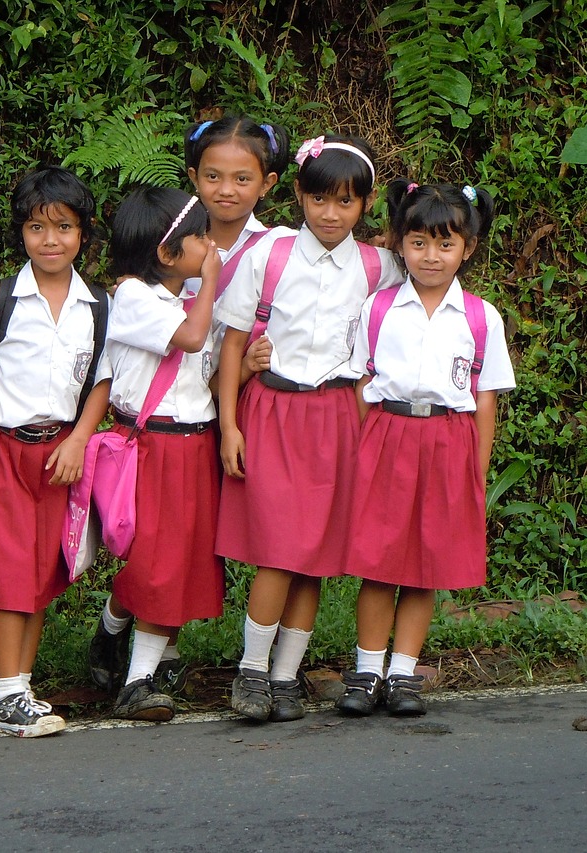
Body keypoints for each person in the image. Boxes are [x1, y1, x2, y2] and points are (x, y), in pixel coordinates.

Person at [216, 135, 404, 723]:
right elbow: (234, 343)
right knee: (277, 549)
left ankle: (284, 676)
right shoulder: (268, 256)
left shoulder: (378, 266)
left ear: (365, 206)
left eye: (345, 202)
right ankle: (250, 673)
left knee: (314, 554)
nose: (330, 213)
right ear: (297, 194)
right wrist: (228, 425)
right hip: (272, 412)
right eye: (319, 199)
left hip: (338, 418)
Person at [336, 181, 515, 717]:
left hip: (448, 442)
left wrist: (475, 470)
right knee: (380, 562)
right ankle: (366, 672)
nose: (430, 256)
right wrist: (371, 447)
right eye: (418, 243)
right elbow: (360, 384)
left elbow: (484, 400)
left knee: (424, 564)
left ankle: (403, 674)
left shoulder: (481, 317)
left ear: (468, 247)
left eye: (445, 244)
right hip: (388, 439)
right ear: (400, 243)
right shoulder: (379, 308)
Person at [0, 165, 111, 738]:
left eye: (64, 228)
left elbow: (101, 380)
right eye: (36, 228)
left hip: (57, 455)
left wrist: (78, 438)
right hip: (1, 449)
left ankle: (21, 685)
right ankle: (5, 694)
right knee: (7, 572)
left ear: (83, 234)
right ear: (19, 234)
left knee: (42, 571)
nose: (50, 240)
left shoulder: (98, 304)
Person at [87, 187, 224, 721]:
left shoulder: (183, 300)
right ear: (167, 255)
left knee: (179, 560)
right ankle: (136, 683)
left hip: (195, 443)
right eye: (200, 238)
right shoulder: (135, 298)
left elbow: (201, 368)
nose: (210, 246)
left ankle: (112, 633)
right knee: (158, 563)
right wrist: (211, 280)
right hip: (154, 447)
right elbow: (190, 340)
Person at [183, 115, 288, 292]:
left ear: (266, 184)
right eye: (213, 176)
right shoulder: (175, 245)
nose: (226, 190)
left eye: (241, 179)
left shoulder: (280, 248)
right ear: (195, 178)